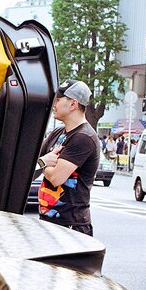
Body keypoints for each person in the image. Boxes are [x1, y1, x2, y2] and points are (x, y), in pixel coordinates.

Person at [36, 79, 100, 237]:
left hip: (71, 227)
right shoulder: (57, 133)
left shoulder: (83, 137)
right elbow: (33, 164)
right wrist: (44, 162)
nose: (54, 104)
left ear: (73, 104)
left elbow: (57, 178)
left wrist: (43, 163)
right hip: (49, 222)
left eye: (58, 100)